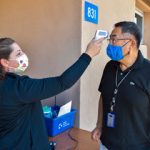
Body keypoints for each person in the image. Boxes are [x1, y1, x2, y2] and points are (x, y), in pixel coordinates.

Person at [0, 37, 103, 150]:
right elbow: (62, 82)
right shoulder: (18, 87)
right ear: (5, 62)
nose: (23, 55)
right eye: (18, 54)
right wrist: (88, 55)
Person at [91, 21, 150, 150]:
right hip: (106, 143)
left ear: (131, 43)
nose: (110, 44)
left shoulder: (147, 72)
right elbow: (103, 97)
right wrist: (99, 125)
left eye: (114, 40)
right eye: (110, 40)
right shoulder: (110, 66)